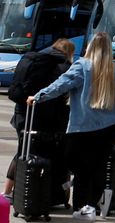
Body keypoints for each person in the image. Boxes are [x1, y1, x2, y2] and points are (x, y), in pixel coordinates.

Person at [32, 31, 115, 221]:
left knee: (79, 167)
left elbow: (61, 85)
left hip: (84, 126)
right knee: (98, 165)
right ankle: (91, 206)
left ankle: (80, 207)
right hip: (111, 126)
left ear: (90, 46)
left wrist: (37, 96)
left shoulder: (82, 66)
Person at [5, 37, 75, 200]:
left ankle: (9, 191)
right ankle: (44, 193)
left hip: (22, 114)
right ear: (68, 52)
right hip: (46, 118)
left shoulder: (31, 58)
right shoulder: (63, 66)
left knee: (23, 152)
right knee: (45, 154)